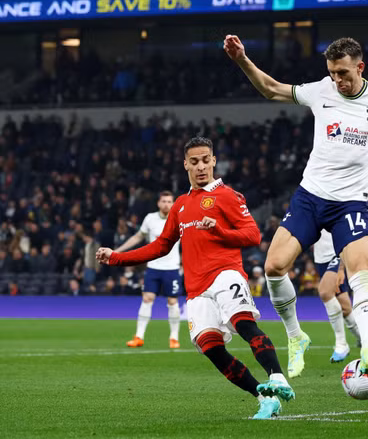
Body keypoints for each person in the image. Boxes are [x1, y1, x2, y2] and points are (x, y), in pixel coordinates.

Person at [225, 35, 368, 376]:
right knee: (274, 267)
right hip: (311, 196)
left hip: (349, 204)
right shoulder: (321, 90)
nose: (337, 80)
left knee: (360, 272)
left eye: (343, 73)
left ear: (360, 67)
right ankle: (296, 336)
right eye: (332, 73)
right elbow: (270, 89)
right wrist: (242, 60)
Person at [96, 137, 293, 419]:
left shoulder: (228, 196)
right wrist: (117, 257)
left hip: (226, 273)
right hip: (196, 288)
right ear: (185, 164)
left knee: (244, 323)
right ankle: (264, 398)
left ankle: (277, 377)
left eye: (205, 160)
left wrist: (219, 231)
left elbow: (253, 235)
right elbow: (161, 246)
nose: (201, 167)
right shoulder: (180, 205)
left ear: (213, 161)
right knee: (211, 348)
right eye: (195, 161)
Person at [116, 191, 183, 349]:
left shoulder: (179, 219)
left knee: (172, 301)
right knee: (147, 298)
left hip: (172, 268)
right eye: (164, 201)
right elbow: (138, 237)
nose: (166, 204)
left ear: (173, 204)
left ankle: (174, 338)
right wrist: (119, 250)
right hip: (153, 267)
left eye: (169, 201)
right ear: (158, 203)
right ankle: (139, 337)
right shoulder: (150, 218)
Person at [313, 229, 360, 363]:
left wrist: (341, 269)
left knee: (325, 292)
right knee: (345, 307)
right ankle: (366, 341)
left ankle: (341, 344)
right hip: (321, 258)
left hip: (337, 254)